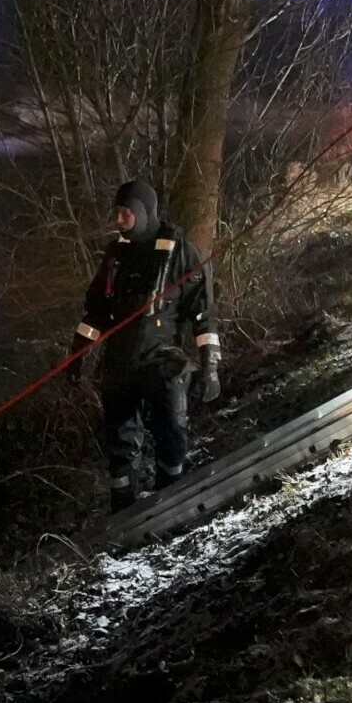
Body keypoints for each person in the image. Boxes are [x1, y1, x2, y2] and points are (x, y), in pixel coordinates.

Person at [78, 178, 221, 513]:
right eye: (117, 212)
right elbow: (95, 313)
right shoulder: (116, 257)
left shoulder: (181, 254)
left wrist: (210, 365)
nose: (119, 220)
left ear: (144, 212)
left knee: (170, 426)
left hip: (161, 360)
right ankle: (122, 509)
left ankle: (171, 497)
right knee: (119, 441)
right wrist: (77, 358)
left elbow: (204, 315)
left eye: (126, 213)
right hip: (119, 363)